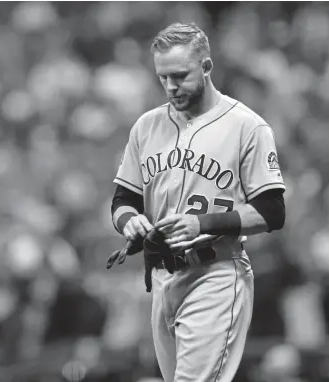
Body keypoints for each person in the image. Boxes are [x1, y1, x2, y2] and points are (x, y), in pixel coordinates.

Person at [109, 22, 286, 382]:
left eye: (180, 75)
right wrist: (129, 220)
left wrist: (202, 224)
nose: (171, 86)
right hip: (162, 277)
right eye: (163, 78)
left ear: (206, 67)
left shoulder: (247, 127)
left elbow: (272, 212)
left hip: (216, 274)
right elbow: (123, 199)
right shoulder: (146, 126)